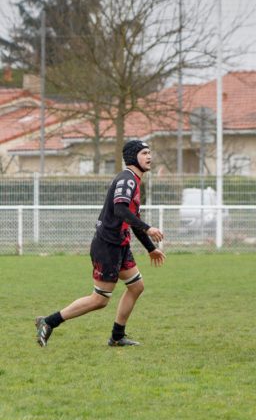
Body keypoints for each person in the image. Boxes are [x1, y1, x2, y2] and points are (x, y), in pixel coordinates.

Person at [35, 140, 166, 347]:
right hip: (107, 246)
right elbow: (120, 210)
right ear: (133, 157)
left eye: (150, 152)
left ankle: (116, 336)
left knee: (136, 287)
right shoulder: (127, 180)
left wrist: (151, 248)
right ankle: (48, 321)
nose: (149, 157)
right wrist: (149, 228)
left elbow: (131, 219)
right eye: (144, 153)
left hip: (120, 245)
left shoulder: (134, 181)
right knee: (100, 300)